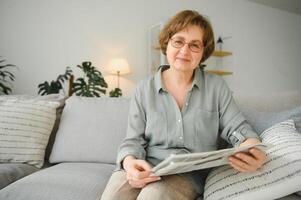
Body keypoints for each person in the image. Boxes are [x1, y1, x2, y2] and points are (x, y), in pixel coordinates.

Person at [101, 10, 266, 200]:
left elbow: (239, 129)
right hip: (146, 164)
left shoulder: (216, 87)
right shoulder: (143, 89)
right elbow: (133, 141)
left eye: (195, 45)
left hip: (188, 175)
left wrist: (254, 149)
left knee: (152, 196)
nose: (185, 50)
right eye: (178, 41)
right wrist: (130, 163)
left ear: (203, 52)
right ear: (167, 43)